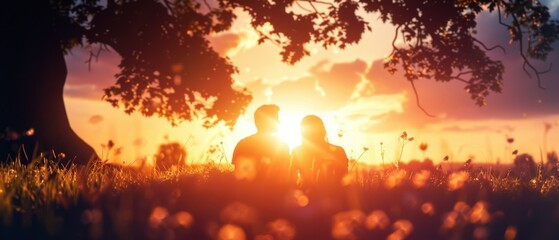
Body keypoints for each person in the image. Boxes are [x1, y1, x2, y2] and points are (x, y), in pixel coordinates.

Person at [232, 104, 290, 182]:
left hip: (248, 192)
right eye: (276, 119)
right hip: (274, 192)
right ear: (266, 121)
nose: (279, 122)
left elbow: (238, 178)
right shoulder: (281, 145)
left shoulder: (242, 144)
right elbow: (285, 176)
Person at [291, 115, 348, 186]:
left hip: (307, 194)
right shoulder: (338, 150)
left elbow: (291, 181)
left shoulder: (297, 151)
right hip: (332, 194)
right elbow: (345, 180)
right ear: (323, 129)